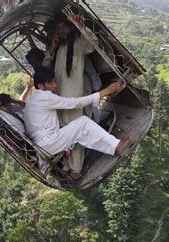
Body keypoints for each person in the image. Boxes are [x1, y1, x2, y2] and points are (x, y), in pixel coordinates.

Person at [23, 67, 130, 178]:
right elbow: (76, 103)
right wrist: (105, 92)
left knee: (76, 130)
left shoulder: (32, 99)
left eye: (55, 81)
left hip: (43, 145)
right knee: (83, 123)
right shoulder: (43, 97)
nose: (55, 85)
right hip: (46, 143)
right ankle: (116, 146)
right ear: (41, 86)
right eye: (51, 83)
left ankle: (109, 147)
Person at [42, 13, 101, 174]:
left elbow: (93, 43)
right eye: (58, 28)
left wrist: (81, 25)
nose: (61, 31)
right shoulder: (58, 49)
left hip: (74, 100)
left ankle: (77, 168)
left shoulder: (79, 44)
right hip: (58, 101)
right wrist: (51, 49)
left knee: (77, 133)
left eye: (64, 27)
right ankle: (68, 165)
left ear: (70, 28)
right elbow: (45, 69)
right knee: (63, 134)